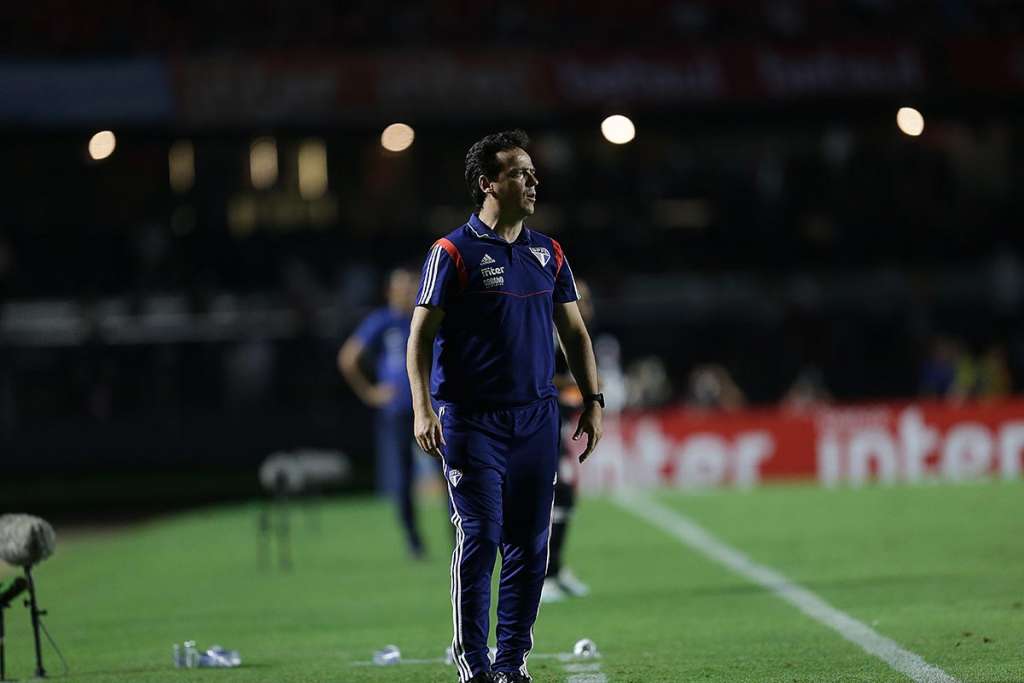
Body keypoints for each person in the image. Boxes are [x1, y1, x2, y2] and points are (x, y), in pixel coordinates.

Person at [406, 130, 603, 683]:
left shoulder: (549, 251)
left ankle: (511, 665)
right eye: (519, 172)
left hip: (538, 419)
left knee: (529, 544)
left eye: (532, 171)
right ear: (487, 183)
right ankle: (475, 664)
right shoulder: (451, 253)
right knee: (482, 536)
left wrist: (594, 400)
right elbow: (419, 337)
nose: (532, 180)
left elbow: (576, 333)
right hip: (472, 421)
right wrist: (422, 410)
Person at [338, 267, 431, 559]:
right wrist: (370, 392)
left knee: (451, 473)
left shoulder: (424, 319)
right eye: (403, 288)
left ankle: (461, 538)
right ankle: (413, 541)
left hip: (430, 409)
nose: (408, 293)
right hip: (398, 411)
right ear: (390, 291)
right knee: (404, 478)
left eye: (411, 287)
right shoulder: (382, 322)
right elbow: (348, 357)